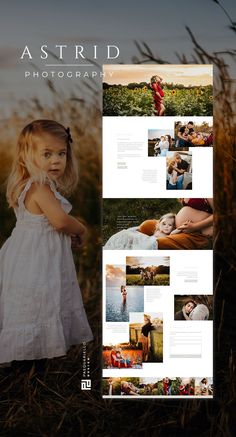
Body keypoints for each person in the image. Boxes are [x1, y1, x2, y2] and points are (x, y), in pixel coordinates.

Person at [0, 119, 93, 365]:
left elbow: (47, 227)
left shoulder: (34, 185)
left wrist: (63, 241)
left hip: (29, 254)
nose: (56, 160)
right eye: (47, 154)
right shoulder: (39, 187)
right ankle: (29, 357)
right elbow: (60, 221)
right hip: (35, 259)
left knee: (35, 300)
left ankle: (34, 351)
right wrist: (81, 229)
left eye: (61, 153)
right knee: (39, 298)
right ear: (26, 157)